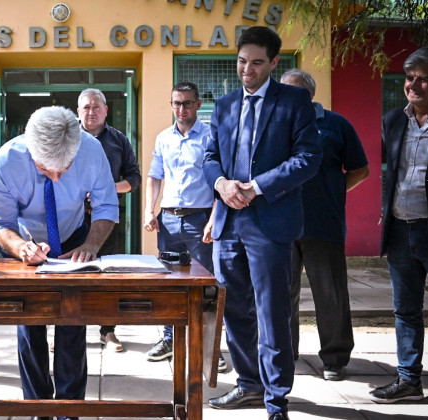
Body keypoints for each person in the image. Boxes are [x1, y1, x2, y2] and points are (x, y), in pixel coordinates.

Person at [202, 26, 322, 420]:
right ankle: (249, 385)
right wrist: (221, 184)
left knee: (271, 313)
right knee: (234, 310)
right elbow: (209, 158)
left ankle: (276, 400)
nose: (246, 70)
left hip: (270, 222)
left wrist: (255, 187)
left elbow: (308, 159)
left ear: (273, 62)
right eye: (241, 62)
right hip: (227, 225)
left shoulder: (295, 102)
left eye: (256, 63)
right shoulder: (223, 105)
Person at [0, 106, 118, 420]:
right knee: (30, 328)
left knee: (72, 325)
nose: (57, 177)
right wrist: (21, 248)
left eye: (65, 169)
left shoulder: (92, 150)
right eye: (47, 169)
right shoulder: (6, 161)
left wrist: (91, 244)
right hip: (25, 246)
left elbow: (106, 207)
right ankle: (38, 409)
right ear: (31, 150)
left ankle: (69, 410)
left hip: (75, 241)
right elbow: (0, 223)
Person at [280, 69, 370, 381]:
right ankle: (284, 355)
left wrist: (332, 191)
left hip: (324, 224)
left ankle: (334, 359)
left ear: (308, 95)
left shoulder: (335, 125)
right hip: (280, 225)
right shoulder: (274, 125)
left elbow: (360, 169)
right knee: (281, 294)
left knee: (330, 294)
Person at [142, 82, 221, 367]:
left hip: (200, 220)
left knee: (206, 285)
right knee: (169, 283)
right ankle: (169, 339)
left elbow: (218, 183)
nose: (181, 109)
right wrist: (150, 211)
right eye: (176, 103)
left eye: (187, 103)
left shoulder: (212, 136)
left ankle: (211, 346)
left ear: (198, 105)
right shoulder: (164, 138)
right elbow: (154, 176)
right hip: (169, 221)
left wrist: (213, 219)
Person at [374, 45, 428, 404]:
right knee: (405, 309)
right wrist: (386, 209)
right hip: (399, 228)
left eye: (424, 79)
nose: (414, 85)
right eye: (410, 78)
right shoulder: (393, 120)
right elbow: (389, 172)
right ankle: (408, 379)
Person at [77, 88, 140, 353]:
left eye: (96, 107)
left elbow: (134, 179)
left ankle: (108, 331)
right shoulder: (68, 138)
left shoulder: (118, 140)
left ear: (105, 110)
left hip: (107, 219)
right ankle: (71, 332)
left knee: (107, 275)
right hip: (73, 219)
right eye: (86, 108)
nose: (91, 112)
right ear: (78, 112)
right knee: (72, 275)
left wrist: (109, 188)